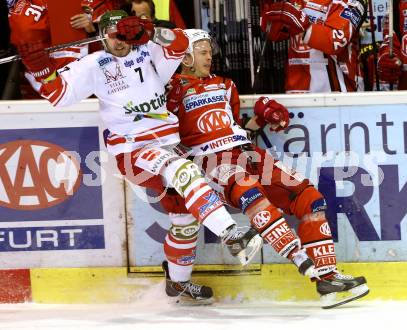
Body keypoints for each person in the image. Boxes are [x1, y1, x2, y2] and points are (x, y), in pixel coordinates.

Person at [18, 10, 263, 305]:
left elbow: (180, 42)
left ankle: (178, 284)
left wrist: (147, 29)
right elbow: (58, 95)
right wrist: (43, 70)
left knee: (184, 219)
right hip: (132, 149)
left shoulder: (149, 51)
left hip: (170, 143)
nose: (119, 42)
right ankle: (231, 234)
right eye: (113, 36)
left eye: (123, 35)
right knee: (183, 171)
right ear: (102, 35)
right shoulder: (93, 65)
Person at [166, 29, 370, 308]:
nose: (209, 55)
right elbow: (161, 131)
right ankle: (309, 270)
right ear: (186, 57)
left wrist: (263, 118)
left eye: (209, 50)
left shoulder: (226, 85)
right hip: (212, 160)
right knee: (254, 199)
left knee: (310, 198)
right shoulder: (172, 88)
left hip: (248, 153)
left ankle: (328, 275)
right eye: (202, 50)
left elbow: (234, 125)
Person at [260, 0, 367, 93]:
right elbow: (275, 34)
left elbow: (336, 42)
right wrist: (270, 15)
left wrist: (303, 25)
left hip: (339, 93)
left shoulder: (350, 2)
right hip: (296, 91)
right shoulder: (294, 1)